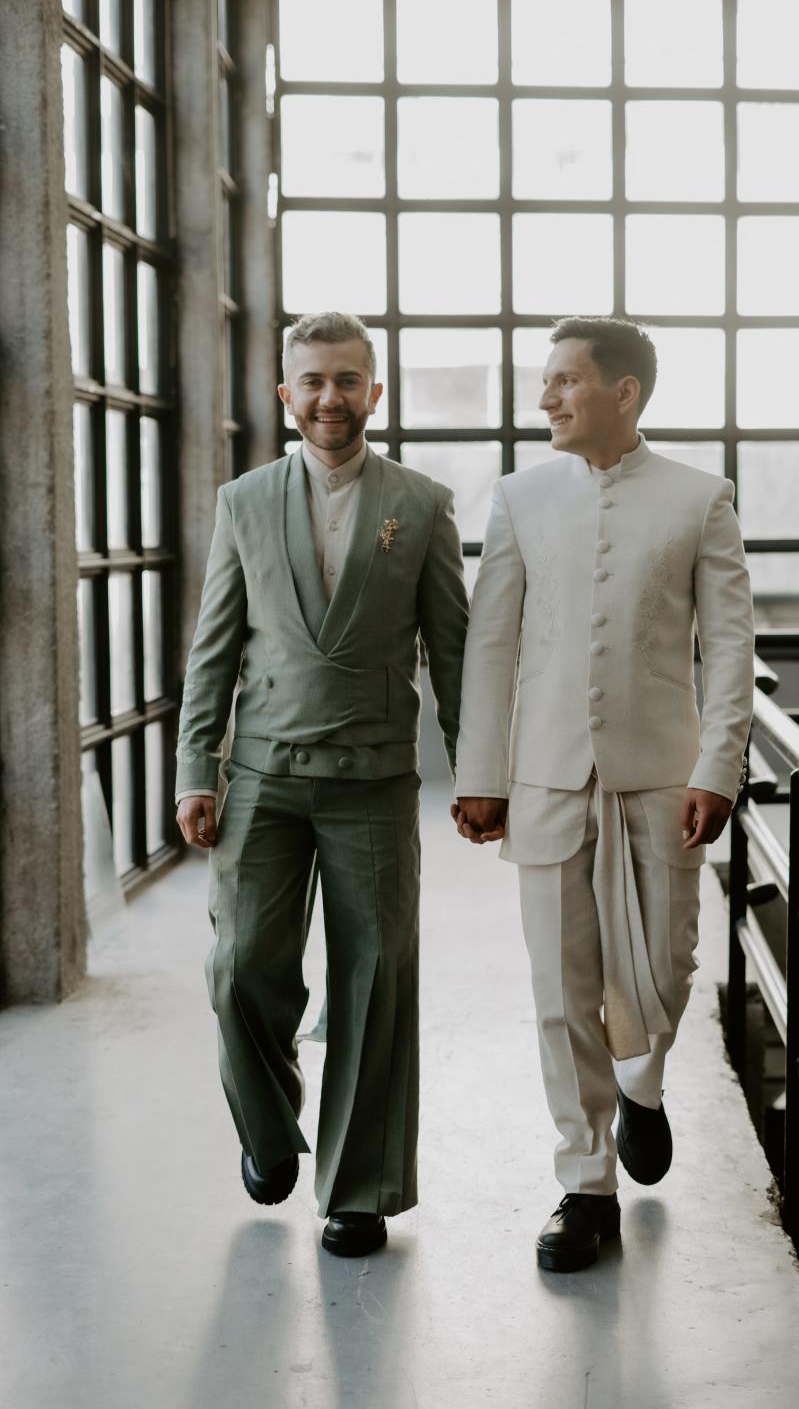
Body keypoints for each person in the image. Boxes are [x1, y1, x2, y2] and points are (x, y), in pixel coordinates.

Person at [453, 316, 754, 1273]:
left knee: (662, 973)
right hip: (544, 780)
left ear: (624, 393)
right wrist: (479, 775)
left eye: (564, 381)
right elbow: (490, 643)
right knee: (562, 990)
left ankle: (645, 1082)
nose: (546, 399)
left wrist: (718, 766)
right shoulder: (518, 496)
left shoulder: (701, 498)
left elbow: (733, 646)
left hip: (664, 780)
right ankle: (585, 1187)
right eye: (544, 382)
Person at [175, 311, 468, 1256]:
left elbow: (453, 651)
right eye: (313, 381)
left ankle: (358, 1187)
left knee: (376, 975)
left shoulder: (421, 503)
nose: (330, 398)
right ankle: (269, 1128)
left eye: (348, 380)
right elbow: (212, 650)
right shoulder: (244, 501)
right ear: (285, 395)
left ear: (374, 393)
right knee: (236, 969)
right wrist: (194, 770)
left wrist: (480, 774)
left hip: (376, 780)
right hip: (261, 774)